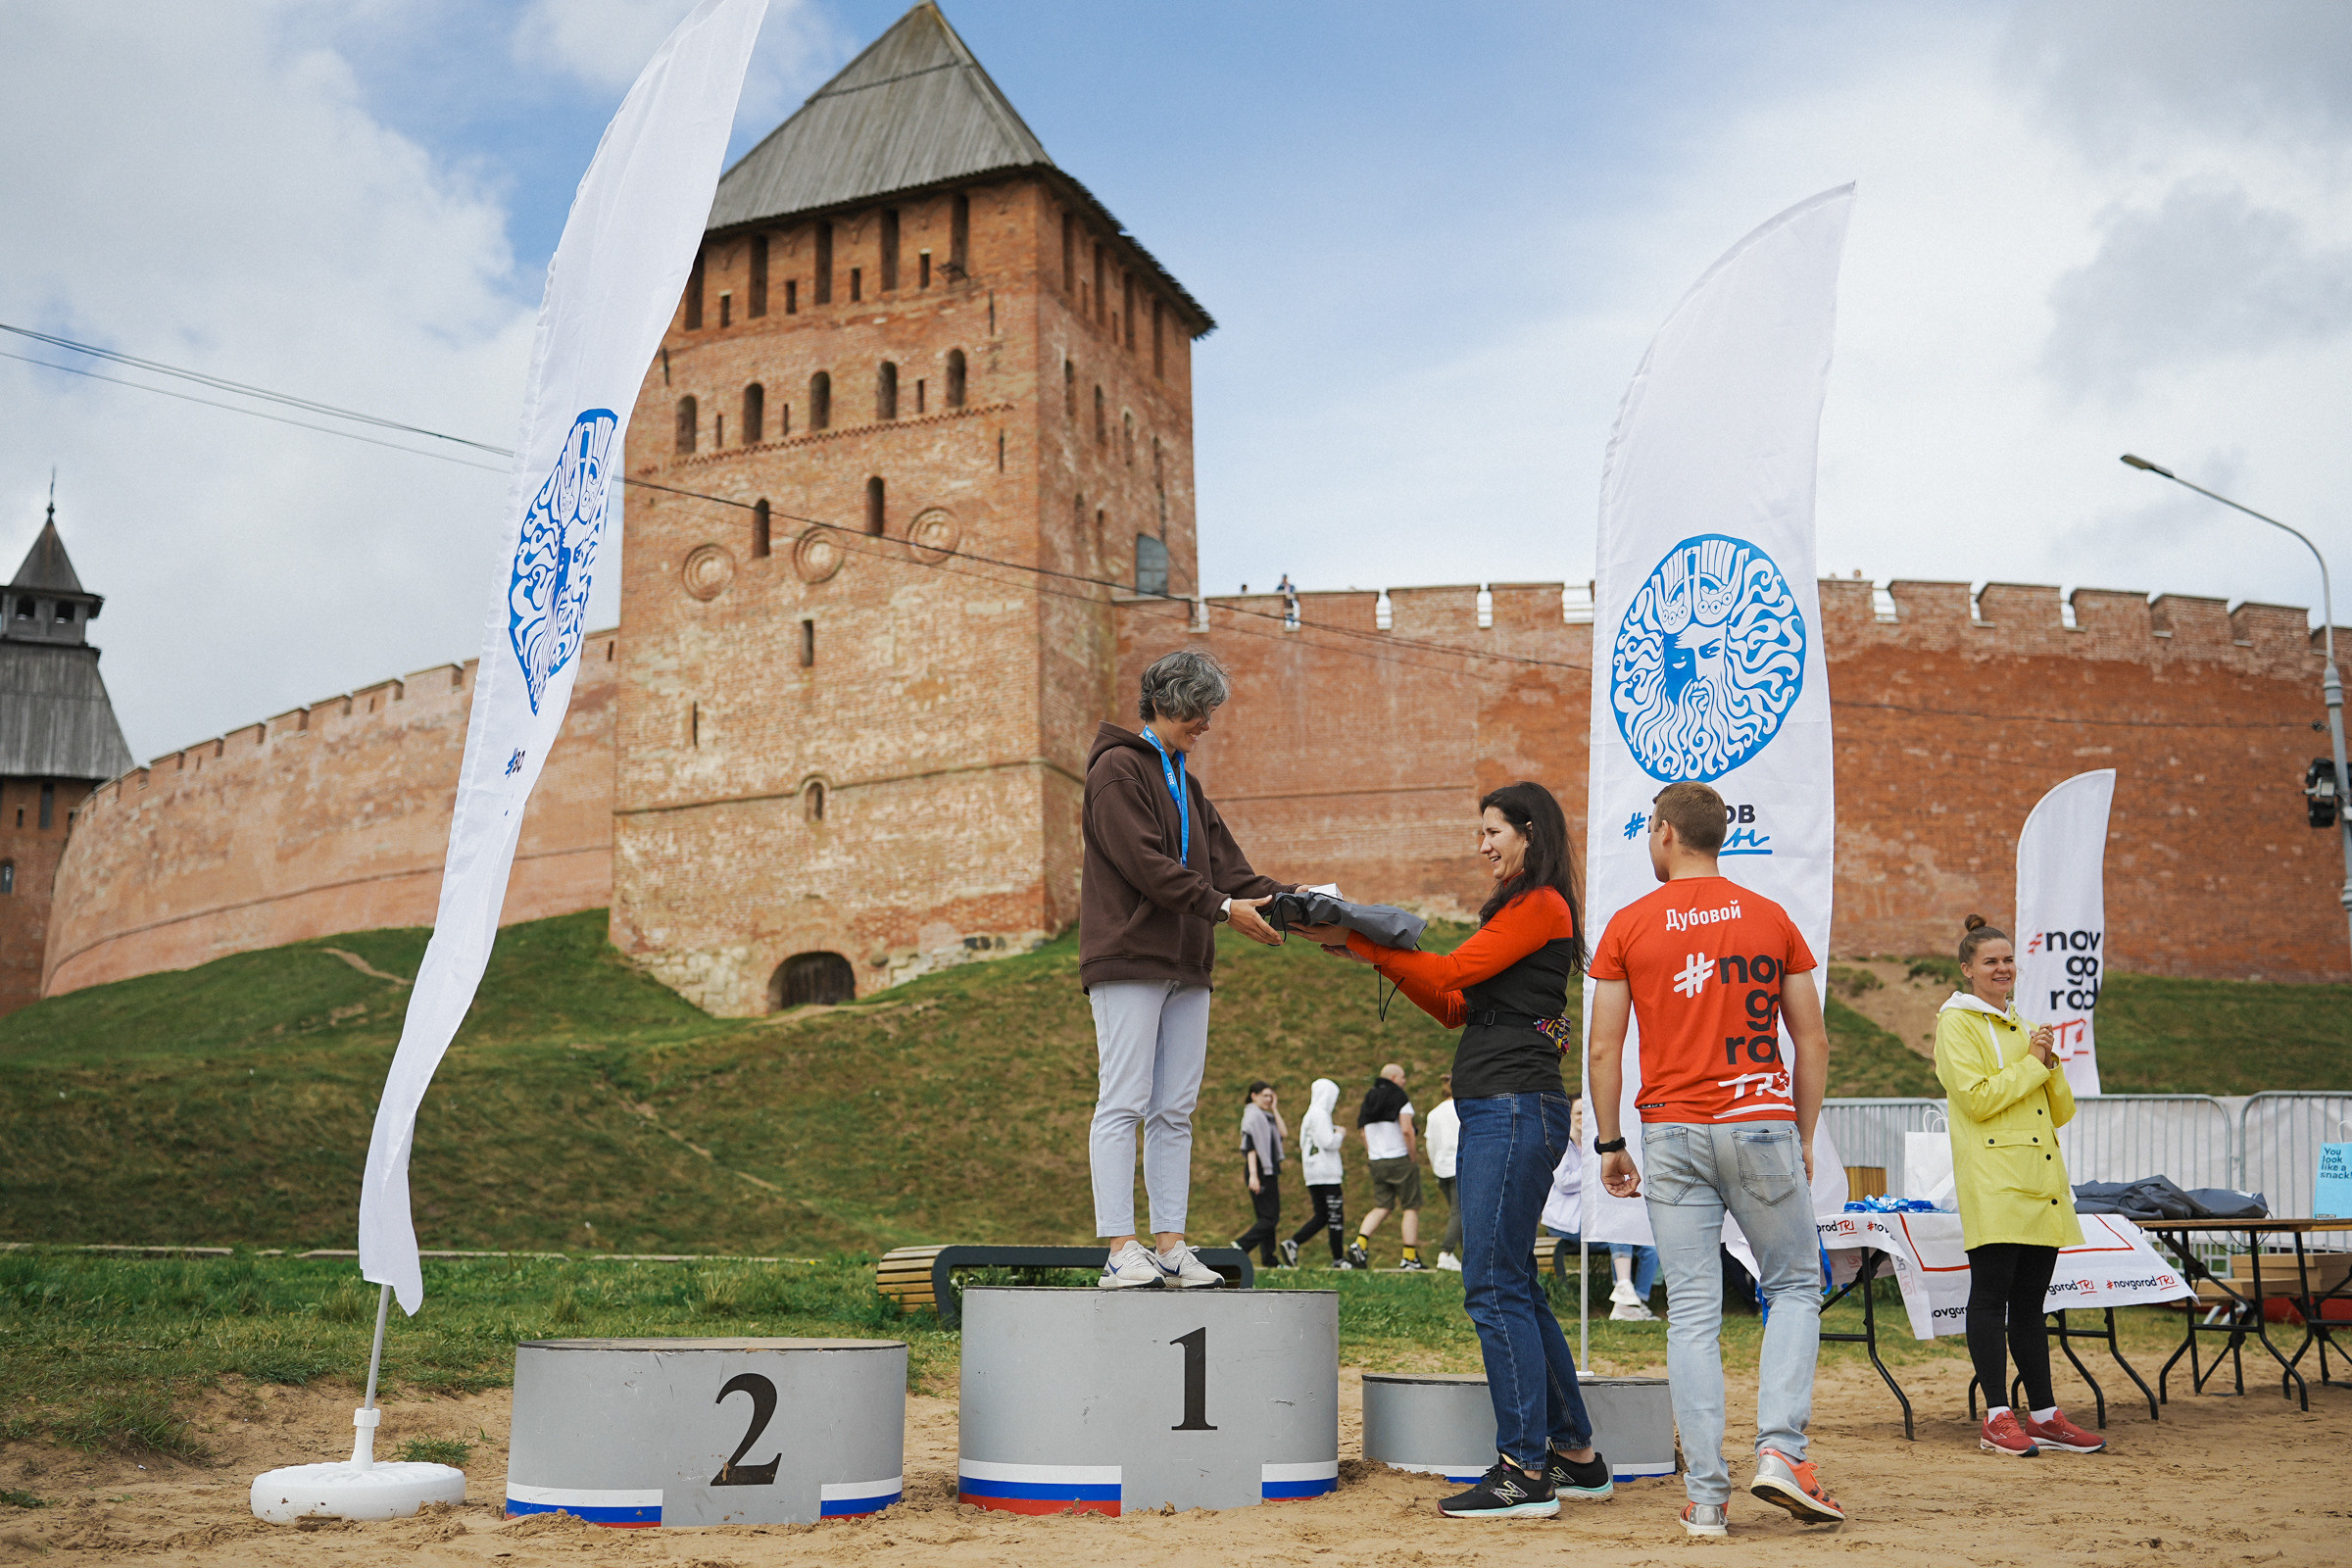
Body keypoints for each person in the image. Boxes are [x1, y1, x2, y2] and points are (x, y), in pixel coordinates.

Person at [1307, 781, 1611, 1519]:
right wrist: (1372, 955)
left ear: (1530, 833)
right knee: (1514, 1283)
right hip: (1503, 1109)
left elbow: (1445, 974)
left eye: (1492, 832)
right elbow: (1451, 1003)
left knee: (1493, 1285)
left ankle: (1524, 1473)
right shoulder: (1521, 911)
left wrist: (1359, 935)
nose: (1481, 846)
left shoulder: (1542, 906)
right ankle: (1573, 1453)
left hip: (1511, 1110)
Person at [1587, 781, 1843, 1539]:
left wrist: (1608, 1141)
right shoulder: (1770, 918)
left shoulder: (1629, 924)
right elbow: (1814, 1041)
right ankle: (1780, 1452)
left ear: (1665, 832)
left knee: (1691, 1315)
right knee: (1794, 1284)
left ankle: (1704, 1498)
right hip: (1758, 1118)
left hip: (1669, 1130)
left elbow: (1605, 1045)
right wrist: (1799, 1131)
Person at [1081, 649, 1295, 1290]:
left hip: (1188, 964)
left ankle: (1170, 1243)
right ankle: (1121, 1246)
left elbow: (1232, 872)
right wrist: (1224, 910)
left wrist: (1310, 908)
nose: (1207, 724)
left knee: (1175, 1108)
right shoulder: (1117, 771)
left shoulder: (1187, 784)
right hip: (1129, 958)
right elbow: (1146, 864)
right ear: (1172, 702)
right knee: (1123, 1100)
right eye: (1202, 712)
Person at [1936, 913, 2105, 1458]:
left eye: (2009, 960)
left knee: (2032, 1302)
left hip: (2040, 1181)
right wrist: (2034, 1062)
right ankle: (1997, 1416)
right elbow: (1978, 1099)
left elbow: (2060, 1113)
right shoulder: (1956, 1024)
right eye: (1991, 961)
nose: (2003, 968)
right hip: (1994, 1181)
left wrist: (2049, 1065)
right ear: (1968, 970)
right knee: (1990, 1298)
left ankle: (2047, 1415)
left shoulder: (2023, 1023)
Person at [1350, 1066, 1425, 1269]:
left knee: (1382, 1206)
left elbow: (1363, 1133)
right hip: (1400, 1159)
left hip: (1376, 1160)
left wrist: (1372, 1154)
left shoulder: (1369, 1098)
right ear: (1393, 1077)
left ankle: (1360, 1243)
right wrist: (1412, 1156)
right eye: (1403, 1077)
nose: (1405, 1081)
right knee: (1410, 1207)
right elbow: (1406, 1129)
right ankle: (1409, 1257)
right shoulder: (1400, 1097)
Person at [1286, 1077, 1348, 1267]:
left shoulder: (1309, 1115)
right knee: (1336, 1217)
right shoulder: (1320, 1114)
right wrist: (1340, 1134)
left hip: (1312, 1174)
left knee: (1322, 1215)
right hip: (1327, 1174)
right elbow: (1328, 1142)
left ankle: (1293, 1243)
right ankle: (1338, 1259)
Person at [1235, 1081, 1287, 1268]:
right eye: (1265, 1095)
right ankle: (1241, 1245)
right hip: (1259, 1170)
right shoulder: (1252, 1117)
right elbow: (1250, 1148)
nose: (1268, 1098)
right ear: (1253, 1095)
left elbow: (1284, 1133)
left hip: (1269, 1170)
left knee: (1267, 1217)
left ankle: (1269, 1259)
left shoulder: (1266, 1117)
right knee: (1270, 1218)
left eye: (1271, 1095)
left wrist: (1275, 1109)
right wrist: (1254, 1175)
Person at [1427, 1074, 1463, 1271]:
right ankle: (1446, 1252)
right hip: (1459, 1165)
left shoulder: (1433, 1114)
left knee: (1458, 1214)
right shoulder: (1462, 1108)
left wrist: (1435, 1166)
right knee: (1460, 1213)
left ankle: (1468, 1256)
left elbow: (1430, 1143)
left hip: (1441, 1169)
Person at [1609, 1244, 1660, 1322]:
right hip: (1593, 1237)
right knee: (1621, 1237)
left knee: (1652, 1251)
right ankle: (1623, 1292)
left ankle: (1637, 1303)